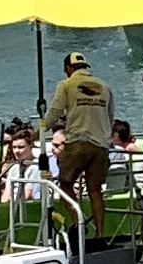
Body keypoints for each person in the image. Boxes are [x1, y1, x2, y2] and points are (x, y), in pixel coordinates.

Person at [44, 47, 116, 234]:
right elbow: (110, 118)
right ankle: (100, 234)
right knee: (95, 189)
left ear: (68, 69)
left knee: (65, 183)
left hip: (78, 142)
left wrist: (39, 131)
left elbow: (55, 112)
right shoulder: (105, 87)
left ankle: (79, 223)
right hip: (101, 145)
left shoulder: (66, 85)